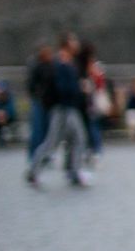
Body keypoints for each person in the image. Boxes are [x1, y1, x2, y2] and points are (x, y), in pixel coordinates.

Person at [26, 41, 91, 189]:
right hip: (64, 109)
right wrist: (78, 90)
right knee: (54, 142)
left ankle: (73, 171)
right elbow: (64, 89)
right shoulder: (62, 67)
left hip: (67, 109)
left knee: (76, 139)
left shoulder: (66, 65)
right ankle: (35, 171)